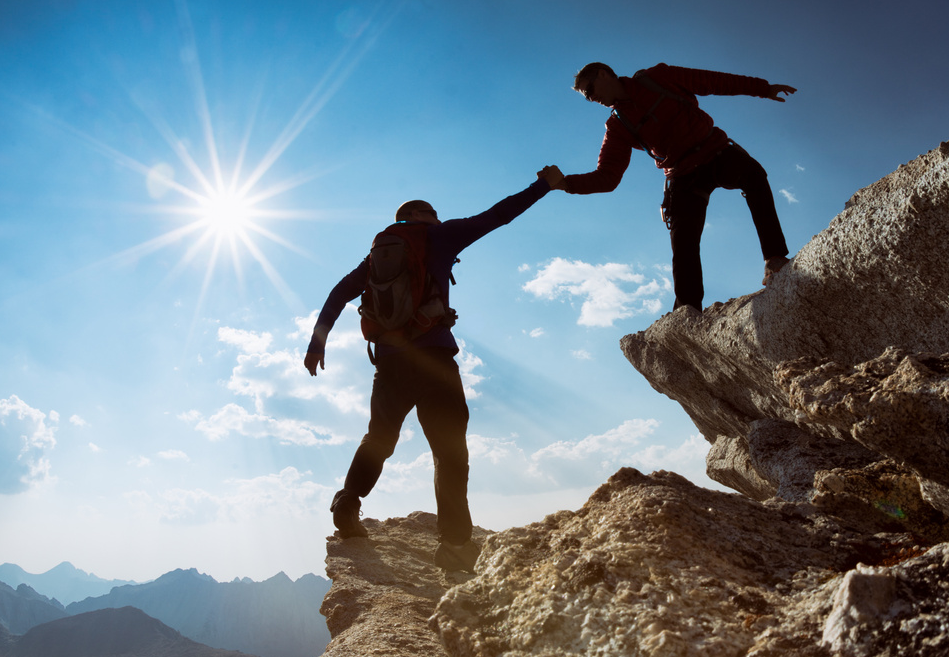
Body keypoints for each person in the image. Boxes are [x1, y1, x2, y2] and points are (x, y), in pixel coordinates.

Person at [304, 166, 564, 572]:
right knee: (449, 454)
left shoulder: (375, 258)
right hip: (435, 363)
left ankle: (347, 503)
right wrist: (543, 185)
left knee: (379, 438)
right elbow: (498, 215)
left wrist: (316, 343)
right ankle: (456, 546)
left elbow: (339, 293)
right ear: (428, 217)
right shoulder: (438, 236)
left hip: (389, 364)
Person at [561, 62, 796, 313]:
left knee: (754, 175)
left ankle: (775, 258)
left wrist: (763, 88)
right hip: (682, 176)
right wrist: (565, 183)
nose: (591, 98)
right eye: (587, 97)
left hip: (714, 150)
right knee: (683, 242)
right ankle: (687, 310)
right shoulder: (617, 125)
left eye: (590, 90)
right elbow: (607, 177)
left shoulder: (658, 77)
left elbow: (712, 79)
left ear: (603, 73)